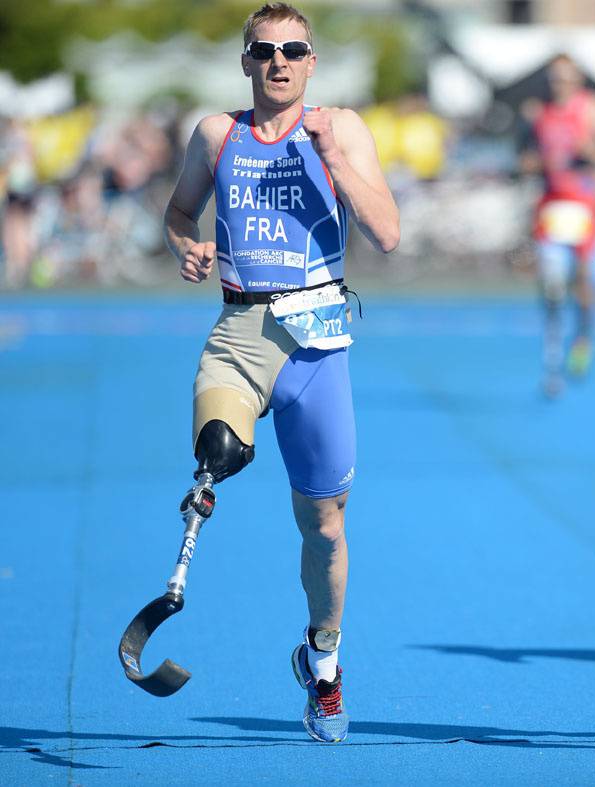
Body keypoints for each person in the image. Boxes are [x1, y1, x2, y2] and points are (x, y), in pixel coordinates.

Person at [162, 2, 400, 741]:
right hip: (239, 332)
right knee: (218, 451)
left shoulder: (343, 127)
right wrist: (186, 245)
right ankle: (203, 483)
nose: (278, 61)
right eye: (264, 50)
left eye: (293, 50)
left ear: (311, 62)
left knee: (324, 527)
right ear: (245, 61)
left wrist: (330, 156)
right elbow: (177, 213)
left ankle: (323, 664)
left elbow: (387, 234)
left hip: (317, 343)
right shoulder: (216, 134)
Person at [520, 55, 595, 398]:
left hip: (583, 205)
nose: (560, 85)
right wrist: (533, 164)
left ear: (577, 81)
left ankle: (583, 337)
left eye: (566, 79)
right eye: (555, 79)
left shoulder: (592, 108)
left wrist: (592, 154)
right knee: (551, 286)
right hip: (552, 207)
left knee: (582, 283)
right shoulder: (538, 114)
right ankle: (551, 361)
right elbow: (527, 159)